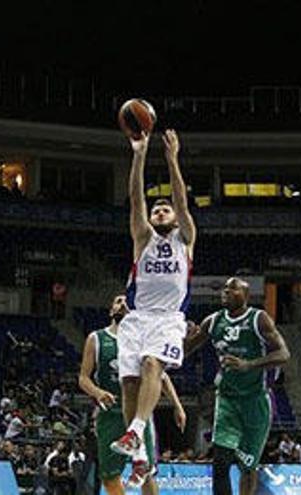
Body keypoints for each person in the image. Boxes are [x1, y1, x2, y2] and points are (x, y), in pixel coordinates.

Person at [111, 129, 196, 488]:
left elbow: (181, 200)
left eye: (166, 208)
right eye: (157, 207)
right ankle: (141, 455)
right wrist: (140, 153)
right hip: (136, 319)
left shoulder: (186, 238)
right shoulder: (143, 237)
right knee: (130, 386)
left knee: (151, 364)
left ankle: (136, 433)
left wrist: (173, 160)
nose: (160, 210)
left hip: (167, 319)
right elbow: (135, 200)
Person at [185, 277, 290, 495]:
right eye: (224, 289)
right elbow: (184, 352)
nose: (226, 292)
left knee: (248, 466)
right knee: (220, 462)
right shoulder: (213, 321)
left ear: (246, 295)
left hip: (255, 400)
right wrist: (184, 339)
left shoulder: (258, 319)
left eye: (232, 289)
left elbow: (283, 354)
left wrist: (248, 365)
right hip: (227, 400)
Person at [78, 294, 186, 494]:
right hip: (109, 415)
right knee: (109, 476)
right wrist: (98, 392)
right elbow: (83, 378)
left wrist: (177, 405)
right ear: (111, 310)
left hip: (137, 415)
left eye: (127, 302)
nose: (122, 304)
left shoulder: (142, 338)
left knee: (147, 472)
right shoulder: (96, 338)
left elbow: (160, 376)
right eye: (118, 301)